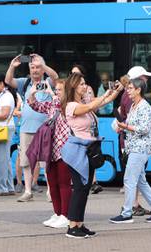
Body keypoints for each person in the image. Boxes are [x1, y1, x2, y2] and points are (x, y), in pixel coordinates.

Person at [61, 73, 122, 238]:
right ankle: (72, 226)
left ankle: (79, 224)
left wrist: (116, 91)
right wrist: (104, 95)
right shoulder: (71, 106)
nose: (85, 86)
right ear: (73, 86)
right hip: (77, 153)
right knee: (79, 188)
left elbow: (104, 102)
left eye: (84, 83)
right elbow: (90, 106)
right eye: (81, 84)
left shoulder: (83, 102)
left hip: (87, 150)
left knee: (85, 188)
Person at [110, 78, 151, 224]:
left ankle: (127, 213)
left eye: (130, 88)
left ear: (138, 90)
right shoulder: (134, 106)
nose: (127, 91)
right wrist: (121, 125)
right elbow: (131, 124)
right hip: (135, 146)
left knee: (129, 180)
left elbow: (144, 128)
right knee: (141, 181)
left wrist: (125, 127)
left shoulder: (144, 106)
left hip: (140, 147)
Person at [5, 54, 58, 202]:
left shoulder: (47, 82)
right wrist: (12, 66)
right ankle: (28, 191)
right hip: (26, 128)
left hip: (45, 129)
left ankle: (50, 191)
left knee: (46, 162)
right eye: (32, 67)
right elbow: (8, 81)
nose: (35, 70)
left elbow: (55, 77)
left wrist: (43, 64)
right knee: (26, 161)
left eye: (38, 67)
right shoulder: (25, 82)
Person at [28, 79, 71, 228]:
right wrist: (33, 93)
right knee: (52, 183)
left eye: (60, 90)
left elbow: (60, 104)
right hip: (51, 150)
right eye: (56, 89)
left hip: (64, 150)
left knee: (64, 183)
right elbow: (36, 106)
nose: (57, 92)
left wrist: (52, 94)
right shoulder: (53, 104)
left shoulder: (68, 105)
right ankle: (58, 213)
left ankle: (66, 215)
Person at [118, 66, 151, 216]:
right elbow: (138, 125)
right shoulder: (131, 97)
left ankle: (139, 206)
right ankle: (131, 207)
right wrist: (124, 126)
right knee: (133, 178)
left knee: (138, 178)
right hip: (134, 144)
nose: (146, 80)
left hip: (135, 143)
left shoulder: (131, 97)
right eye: (144, 77)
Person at [70, 64, 102, 194]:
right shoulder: (70, 102)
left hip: (89, 134)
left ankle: (92, 182)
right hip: (78, 141)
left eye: (77, 74)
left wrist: (110, 94)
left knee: (90, 160)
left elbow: (93, 107)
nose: (74, 76)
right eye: (72, 74)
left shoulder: (87, 90)